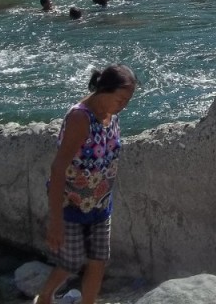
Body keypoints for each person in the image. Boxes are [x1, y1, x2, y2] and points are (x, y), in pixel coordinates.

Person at [35, 65, 138, 304]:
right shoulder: (80, 118)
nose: (124, 105)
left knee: (99, 259)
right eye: (121, 99)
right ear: (104, 90)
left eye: (128, 100)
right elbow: (58, 168)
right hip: (71, 203)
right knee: (71, 261)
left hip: (100, 203)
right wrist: (55, 222)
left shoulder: (111, 114)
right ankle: (45, 296)